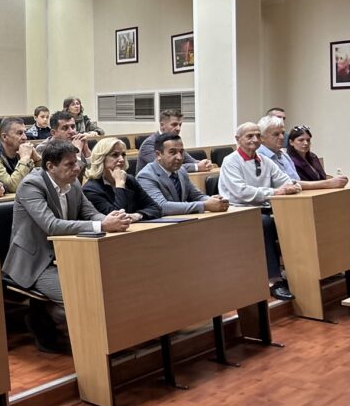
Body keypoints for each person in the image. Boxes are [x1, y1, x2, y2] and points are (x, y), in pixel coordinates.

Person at [4, 139, 131, 352]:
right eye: (69, 164)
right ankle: (52, 328)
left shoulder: (73, 184)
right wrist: (102, 225)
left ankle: (110, 341)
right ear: (50, 166)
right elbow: (51, 225)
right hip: (36, 261)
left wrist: (112, 218)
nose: (77, 168)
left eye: (77, 162)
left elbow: (90, 213)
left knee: (106, 287)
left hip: (68, 255)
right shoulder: (31, 185)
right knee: (80, 295)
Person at [218, 122, 303, 300]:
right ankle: (274, 280)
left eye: (257, 135)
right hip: (238, 210)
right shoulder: (230, 161)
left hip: (262, 207)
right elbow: (241, 192)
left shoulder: (265, 161)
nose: (255, 139)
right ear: (238, 139)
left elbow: (286, 180)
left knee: (292, 218)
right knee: (266, 223)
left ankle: (298, 272)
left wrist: (291, 186)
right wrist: (275, 192)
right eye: (249, 136)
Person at [137, 132, 230, 216]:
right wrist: (205, 205)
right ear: (158, 155)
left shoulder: (181, 171)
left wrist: (211, 200)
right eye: (172, 152)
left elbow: (196, 196)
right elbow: (162, 206)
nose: (179, 157)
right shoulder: (146, 176)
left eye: (181, 152)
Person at [82, 138, 162, 221]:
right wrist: (120, 185)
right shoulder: (91, 189)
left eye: (123, 155)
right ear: (101, 159)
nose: (121, 159)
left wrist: (138, 215)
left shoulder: (129, 180)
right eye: (115, 155)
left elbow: (156, 208)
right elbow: (116, 218)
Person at [258, 115, 347, 188]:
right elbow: (286, 184)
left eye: (283, 133)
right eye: (276, 134)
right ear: (262, 137)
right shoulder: (259, 156)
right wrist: (327, 183)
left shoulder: (284, 155)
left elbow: (296, 181)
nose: (282, 137)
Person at [135, 109, 212, 173]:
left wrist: (205, 163)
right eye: (174, 125)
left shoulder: (175, 142)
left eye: (180, 125)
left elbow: (190, 161)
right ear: (162, 125)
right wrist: (196, 167)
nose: (178, 128)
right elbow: (163, 167)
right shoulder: (149, 144)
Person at [0, 117, 40, 193]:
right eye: (19, 133)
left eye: (24, 133)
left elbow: (44, 180)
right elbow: (13, 187)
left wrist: (37, 159)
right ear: (4, 137)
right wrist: (25, 158)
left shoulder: (21, 151)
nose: (25, 137)